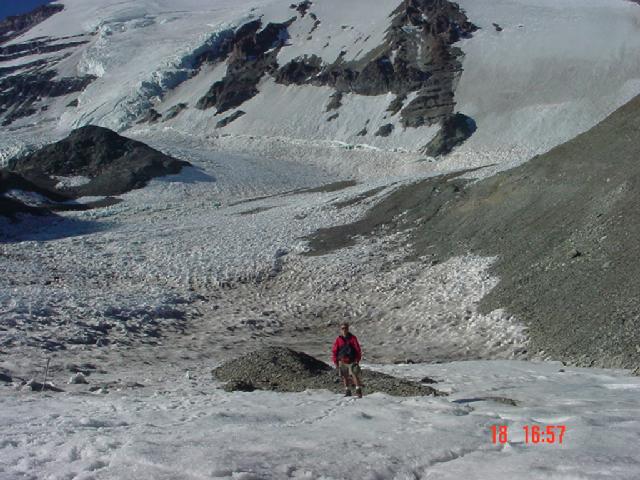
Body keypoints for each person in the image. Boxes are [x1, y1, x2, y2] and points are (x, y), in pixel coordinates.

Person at [332, 322, 363, 398]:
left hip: (352, 360)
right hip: (342, 361)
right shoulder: (338, 339)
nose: (344, 330)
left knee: (354, 375)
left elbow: (358, 349)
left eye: (345, 328)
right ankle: (347, 391)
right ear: (340, 330)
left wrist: (357, 359)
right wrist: (335, 361)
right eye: (343, 328)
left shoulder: (353, 338)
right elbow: (335, 351)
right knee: (344, 376)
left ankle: (358, 391)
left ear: (348, 329)